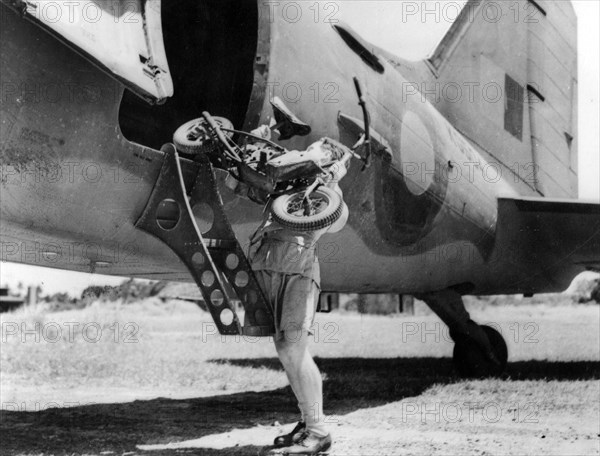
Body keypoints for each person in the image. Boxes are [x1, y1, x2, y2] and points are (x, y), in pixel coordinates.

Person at [248, 139, 349, 455]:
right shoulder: (284, 188)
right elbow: (248, 183)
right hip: (269, 266)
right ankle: (308, 422)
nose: (311, 150)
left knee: (294, 348)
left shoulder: (327, 195)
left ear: (330, 163)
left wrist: (330, 182)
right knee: (285, 348)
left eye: (320, 150)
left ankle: (318, 431)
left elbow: (335, 221)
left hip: (298, 273)